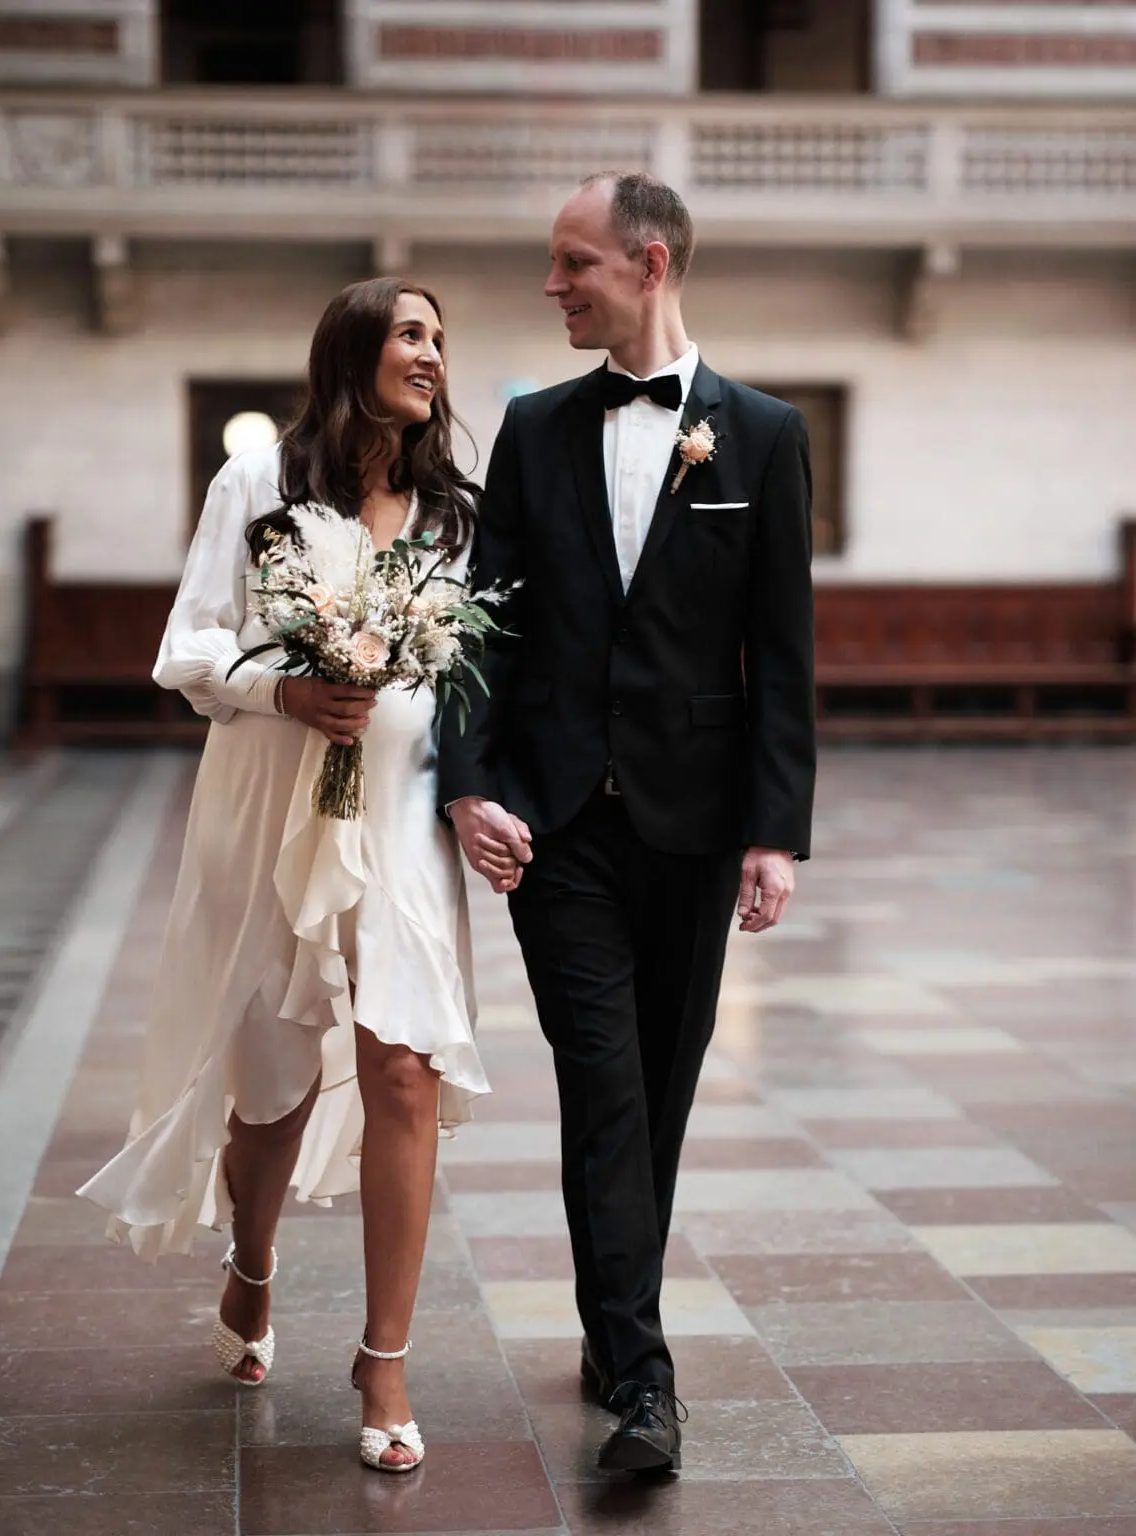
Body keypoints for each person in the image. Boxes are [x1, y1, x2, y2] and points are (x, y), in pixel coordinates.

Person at [440, 172, 816, 1474]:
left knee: (660, 1085)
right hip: (557, 829)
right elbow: (483, 628)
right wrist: (465, 783)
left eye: (572, 263)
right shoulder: (532, 427)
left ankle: (614, 1328)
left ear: (647, 264)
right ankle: (644, 1385)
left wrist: (774, 831)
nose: (553, 285)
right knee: (602, 1087)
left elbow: (780, 647)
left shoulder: (759, 437)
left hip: (697, 823)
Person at [80, 277, 488, 1474]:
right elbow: (188, 648)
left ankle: (385, 1359)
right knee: (270, 1087)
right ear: (353, 349)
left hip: (400, 822)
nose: (432, 353)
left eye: (439, 339)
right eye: (412, 334)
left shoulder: (452, 512)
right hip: (270, 805)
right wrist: (284, 688)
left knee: (404, 1069)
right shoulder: (255, 484)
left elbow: (471, 676)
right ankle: (250, 1262)